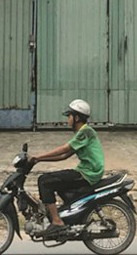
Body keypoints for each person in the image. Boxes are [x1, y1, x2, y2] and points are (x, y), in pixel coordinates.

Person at [30, 99, 105, 237]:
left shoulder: (85, 131)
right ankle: (66, 216)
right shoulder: (81, 134)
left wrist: (37, 156)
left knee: (44, 181)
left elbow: (64, 148)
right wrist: (38, 160)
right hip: (84, 171)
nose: (67, 119)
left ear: (76, 117)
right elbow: (64, 156)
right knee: (54, 181)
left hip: (88, 173)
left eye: (69, 116)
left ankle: (57, 221)